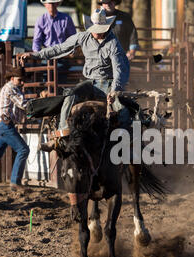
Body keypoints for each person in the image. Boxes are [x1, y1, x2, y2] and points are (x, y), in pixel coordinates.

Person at [20, 8, 130, 152]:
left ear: (106, 27)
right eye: (94, 28)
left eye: (99, 29)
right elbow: (59, 48)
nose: (96, 32)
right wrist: (36, 55)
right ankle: (61, 135)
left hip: (108, 83)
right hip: (90, 82)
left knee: (123, 111)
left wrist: (115, 90)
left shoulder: (113, 43)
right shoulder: (83, 37)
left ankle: (126, 145)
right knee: (69, 96)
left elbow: (118, 69)